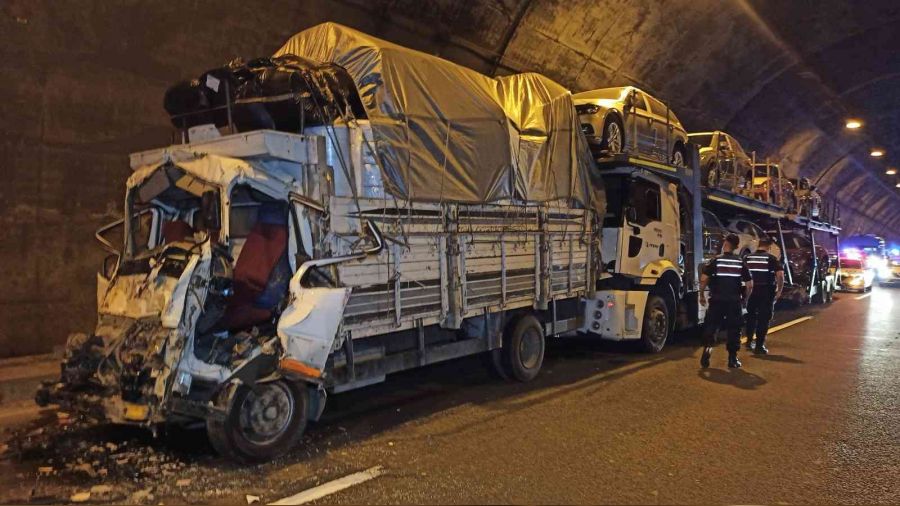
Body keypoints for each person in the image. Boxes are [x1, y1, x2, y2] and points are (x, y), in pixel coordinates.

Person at [699, 234, 753, 368]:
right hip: (734, 301)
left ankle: (708, 349)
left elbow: (704, 279)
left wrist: (701, 295)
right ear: (736, 247)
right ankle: (732, 359)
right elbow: (750, 284)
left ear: (725, 244)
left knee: (712, 325)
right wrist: (745, 298)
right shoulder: (740, 262)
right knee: (734, 329)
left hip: (716, 300)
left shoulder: (715, 261)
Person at [744, 237, 784, 354]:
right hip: (766, 292)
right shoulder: (771, 259)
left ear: (758, 245)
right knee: (763, 318)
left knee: (750, 316)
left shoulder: (747, 258)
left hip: (751, 291)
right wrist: (779, 291)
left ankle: (749, 341)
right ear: (769, 247)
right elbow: (780, 275)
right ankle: (759, 346)